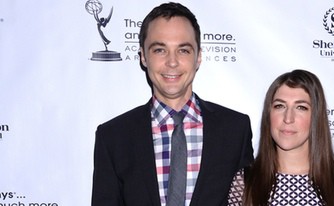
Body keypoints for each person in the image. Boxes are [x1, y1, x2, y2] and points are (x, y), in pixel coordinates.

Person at [91, 2, 254, 206]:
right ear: (143, 56)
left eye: (183, 50)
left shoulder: (235, 130)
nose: (172, 62)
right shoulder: (113, 137)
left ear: (199, 57)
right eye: (160, 50)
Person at [228, 69, 334, 206]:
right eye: (279, 106)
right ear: (269, 114)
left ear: (316, 117)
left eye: (301, 107)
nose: (288, 118)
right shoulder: (245, 183)